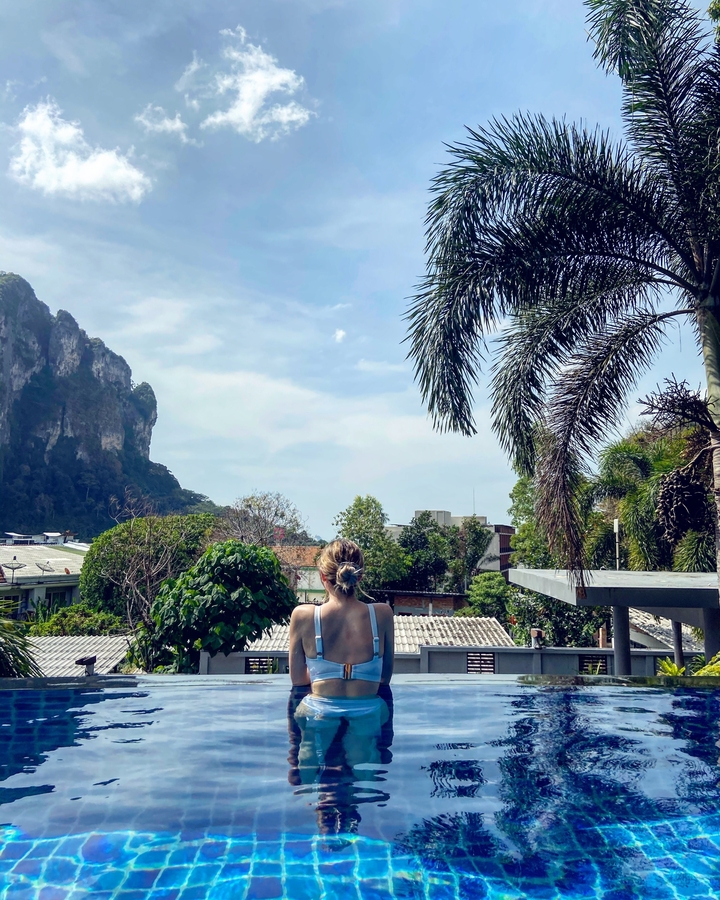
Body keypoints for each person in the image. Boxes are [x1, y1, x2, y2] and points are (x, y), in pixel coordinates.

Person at [287, 539, 395, 829]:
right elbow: (384, 677)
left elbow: (298, 680)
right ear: (360, 575)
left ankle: (322, 812)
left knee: (306, 781)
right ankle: (353, 815)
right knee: (366, 778)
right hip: (367, 710)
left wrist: (328, 677)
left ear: (323, 577)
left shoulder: (303, 616)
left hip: (319, 710)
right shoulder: (382, 614)